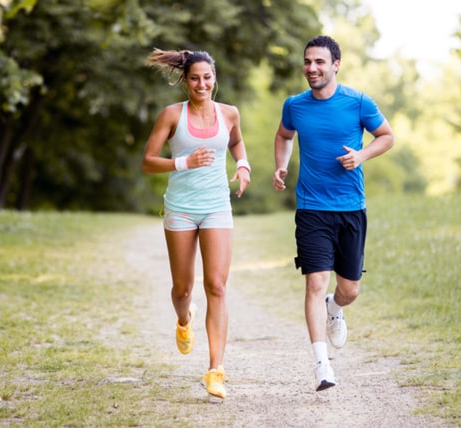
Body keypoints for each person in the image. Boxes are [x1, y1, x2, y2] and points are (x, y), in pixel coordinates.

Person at [272, 35, 395, 391]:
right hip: (311, 209)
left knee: (350, 289)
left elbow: (386, 136)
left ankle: (335, 308)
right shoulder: (294, 105)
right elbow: (283, 136)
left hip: (350, 209)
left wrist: (361, 156)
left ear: (335, 65)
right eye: (307, 62)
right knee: (314, 282)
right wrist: (281, 165)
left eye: (319, 62)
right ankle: (322, 366)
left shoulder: (357, 102)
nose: (312, 68)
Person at [141, 48, 251, 399]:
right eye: (194, 78)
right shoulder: (172, 115)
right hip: (181, 209)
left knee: (216, 286)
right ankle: (184, 318)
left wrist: (244, 163)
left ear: (214, 78)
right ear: (185, 80)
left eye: (207, 77)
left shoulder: (229, 113)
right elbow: (147, 161)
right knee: (183, 289)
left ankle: (215, 370)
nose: (201, 84)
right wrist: (183, 162)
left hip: (217, 205)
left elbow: (235, 142)